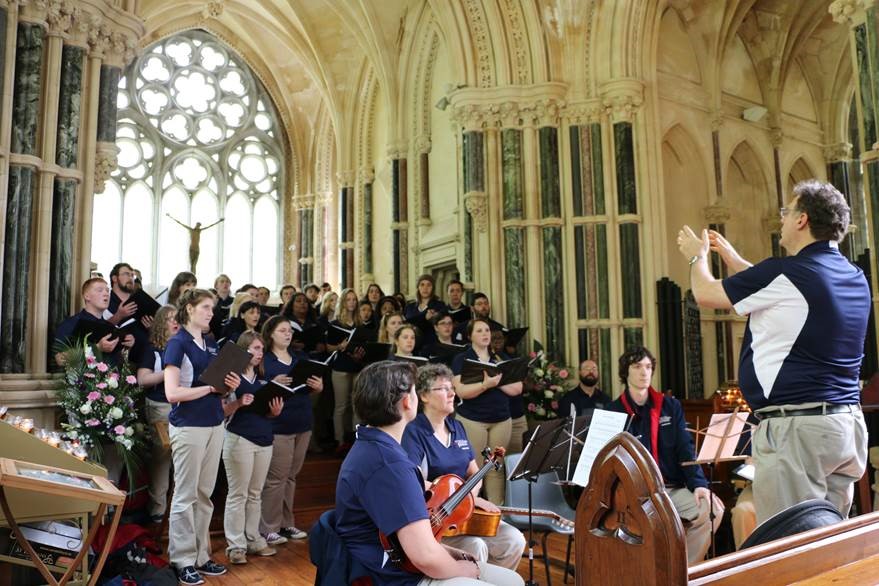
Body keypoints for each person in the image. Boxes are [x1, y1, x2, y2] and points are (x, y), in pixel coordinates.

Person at [677, 179, 870, 524]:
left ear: (802, 219)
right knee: (827, 543)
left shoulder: (788, 273)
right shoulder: (854, 275)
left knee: (791, 548)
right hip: (844, 426)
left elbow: (705, 293)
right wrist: (733, 259)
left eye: (787, 211)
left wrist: (697, 256)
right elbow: (784, 295)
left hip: (798, 433)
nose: (781, 218)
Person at [335, 361, 524, 586]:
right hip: (398, 576)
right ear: (407, 401)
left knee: (511, 580)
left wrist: (451, 553)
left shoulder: (373, 446)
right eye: (415, 390)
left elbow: (408, 536)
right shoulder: (390, 465)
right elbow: (423, 555)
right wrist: (459, 568)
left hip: (402, 559)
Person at [402, 364, 526, 570]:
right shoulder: (414, 431)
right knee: (475, 547)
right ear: (423, 396)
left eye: (452, 388)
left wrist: (469, 499)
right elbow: (412, 479)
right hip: (435, 519)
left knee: (514, 540)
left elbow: (473, 472)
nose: (452, 393)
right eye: (443, 389)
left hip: (464, 512)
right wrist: (456, 498)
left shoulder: (457, 427)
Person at [608, 346, 722, 564]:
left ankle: (681, 570)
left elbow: (685, 447)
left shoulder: (670, 406)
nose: (644, 372)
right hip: (636, 493)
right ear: (625, 372)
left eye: (648, 367)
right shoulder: (613, 411)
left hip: (671, 488)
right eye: (637, 366)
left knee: (712, 509)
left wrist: (699, 484)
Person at [164, 288, 240, 585]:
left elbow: (217, 385)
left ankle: (201, 554)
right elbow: (172, 394)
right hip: (188, 424)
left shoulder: (209, 343)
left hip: (213, 422)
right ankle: (181, 558)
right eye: (206, 307)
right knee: (185, 495)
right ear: (190, 309)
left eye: (212, 308)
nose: (211, 312)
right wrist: (209, 388)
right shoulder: (177, 342)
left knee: (205, 493)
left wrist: (227, 385)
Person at [260, 316, 324, 544]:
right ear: (270, 334)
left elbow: (313, 386)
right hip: (279, 425)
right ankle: (268, 527)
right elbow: (259, 392)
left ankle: (287, 524)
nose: (288, 334)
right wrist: (272, 382)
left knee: (291, 477)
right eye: (282, 330)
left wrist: (318, 387)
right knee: (276, 478)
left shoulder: (300, 358)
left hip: (302, 422)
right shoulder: (265, 361)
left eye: (289, 331)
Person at [221, 332, 282, 564]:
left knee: (255, 494)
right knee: (238, 494)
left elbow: (263, 411)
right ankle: (236, 545)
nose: (259, 353)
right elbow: (223, 410)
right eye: (255, 348)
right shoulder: (232, 377)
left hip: (264, 439)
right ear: (244, 349)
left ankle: (253, 538)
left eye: (261, 349)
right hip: (240, 439)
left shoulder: (263, 380)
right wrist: (238, 402)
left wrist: (273, 412)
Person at [451, 319, 522, 504]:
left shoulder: (500, 359)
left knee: (495, 468)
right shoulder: (462, 359)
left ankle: (497, 514)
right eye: (479, 330)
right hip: (473, 419)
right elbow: (461, 392)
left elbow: (517, 389)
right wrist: (485, 384)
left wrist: (497, 383)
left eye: (487, 330)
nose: (485, 334)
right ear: (470, 336)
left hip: (501, 419)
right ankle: (470, 512)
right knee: (474, 469)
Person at [136, 304, 178, 523]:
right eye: (170, 318)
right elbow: (142, 379)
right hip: (161, 405)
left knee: (182, 458)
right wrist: (167, 373)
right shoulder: (153, 348)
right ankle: (158, 510)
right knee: (162, 457)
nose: (175, 322)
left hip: (183, 406)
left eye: (177, 318)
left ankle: (177, 509)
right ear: (162, 322)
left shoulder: (184, 346)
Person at [54, 277, 135, 366]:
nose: (106, 294)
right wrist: (97, 348)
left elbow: (117, 362)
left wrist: (126, 347)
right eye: (100, 290)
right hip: (82, 379)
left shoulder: (111, 327)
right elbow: (60, 359)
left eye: (107, 291)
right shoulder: (71, 323)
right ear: (87, 296)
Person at [327, 288, 363, 450]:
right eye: (348, 299)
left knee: (357, 405)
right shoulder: (335, 324)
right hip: (340, 366)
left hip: (357, 366)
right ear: (343, 302)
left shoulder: (360, 324)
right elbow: (328, 348)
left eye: (354, 300)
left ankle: (356, 439)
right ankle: (340, 440)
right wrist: (338, 346)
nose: (352, 303)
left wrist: (360, 352)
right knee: (341, 405)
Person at [404, 274, 447, 346]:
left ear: (433, 288)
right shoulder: (409, 307)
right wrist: (425, 317)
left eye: (429, 285)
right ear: (418, 287)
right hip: (411, 343)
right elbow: (407, 323)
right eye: (422, 285)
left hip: (430, 344)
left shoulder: (439, 305)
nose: (425, 288)